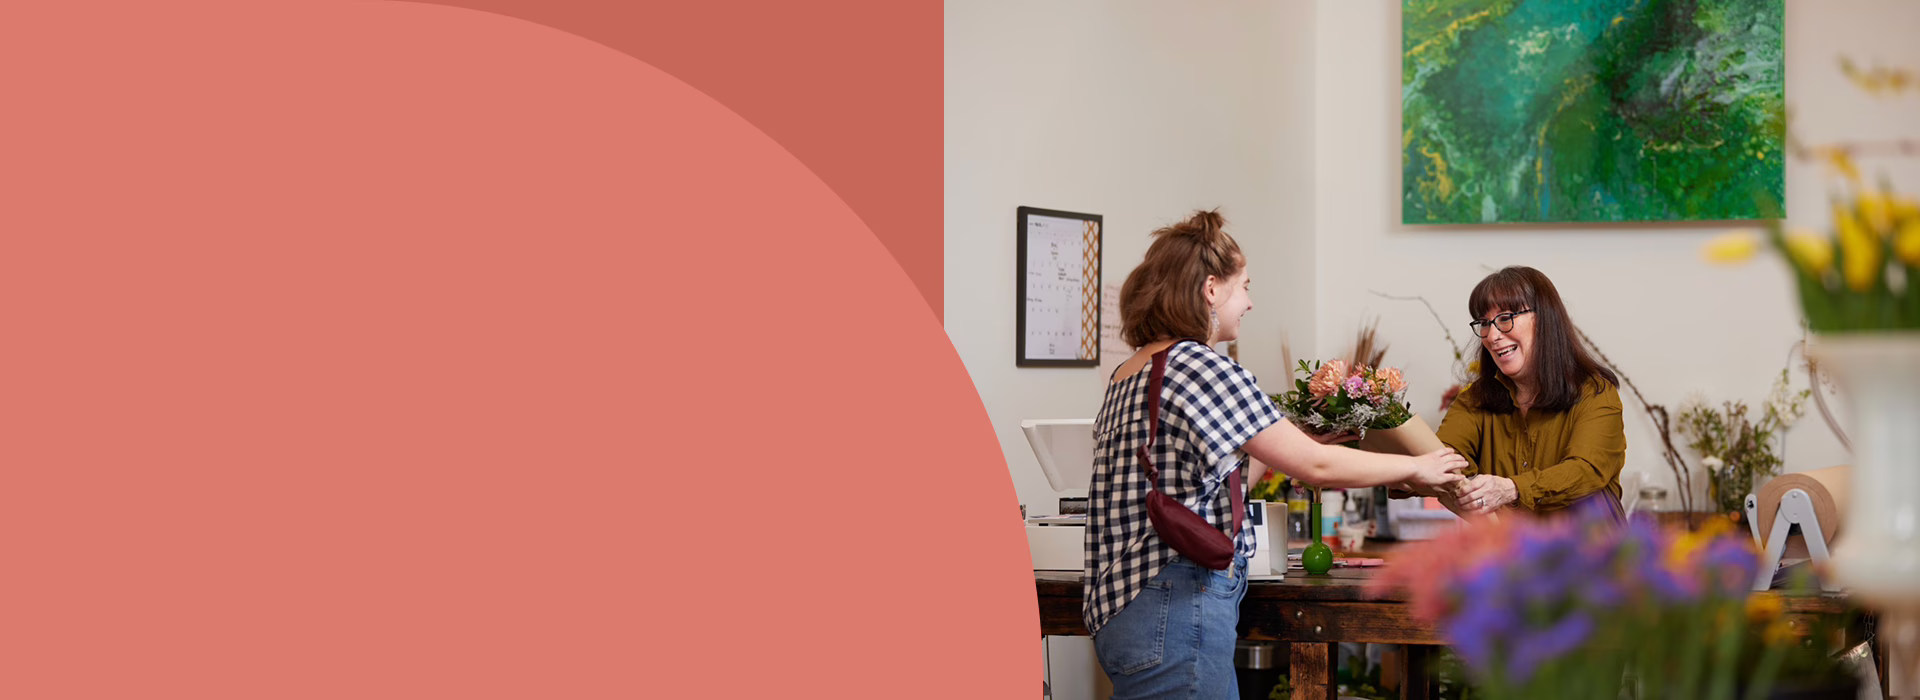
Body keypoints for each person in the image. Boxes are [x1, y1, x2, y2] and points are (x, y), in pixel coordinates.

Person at [1085, 210, 1469, 698]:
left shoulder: (1133, 370)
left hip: (1127, 606)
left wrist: (1302, 442)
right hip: (1177, 605)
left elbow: (1207, 479)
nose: (1249, 301)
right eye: (1243, 285)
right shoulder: (1202, 366)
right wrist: (1418, 466)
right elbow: (1318, 467)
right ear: (1210, 289)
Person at [1424, 266, 1628, 521]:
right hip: (1513, 557)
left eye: (1505, 318)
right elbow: (1441, 458)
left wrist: (1511, 489)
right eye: (1484, 323)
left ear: (1544, 319)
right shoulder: (1474, 400)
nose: (1492, 335)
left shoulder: (1596, 393)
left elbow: (1586, 471)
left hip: (1589, 557)